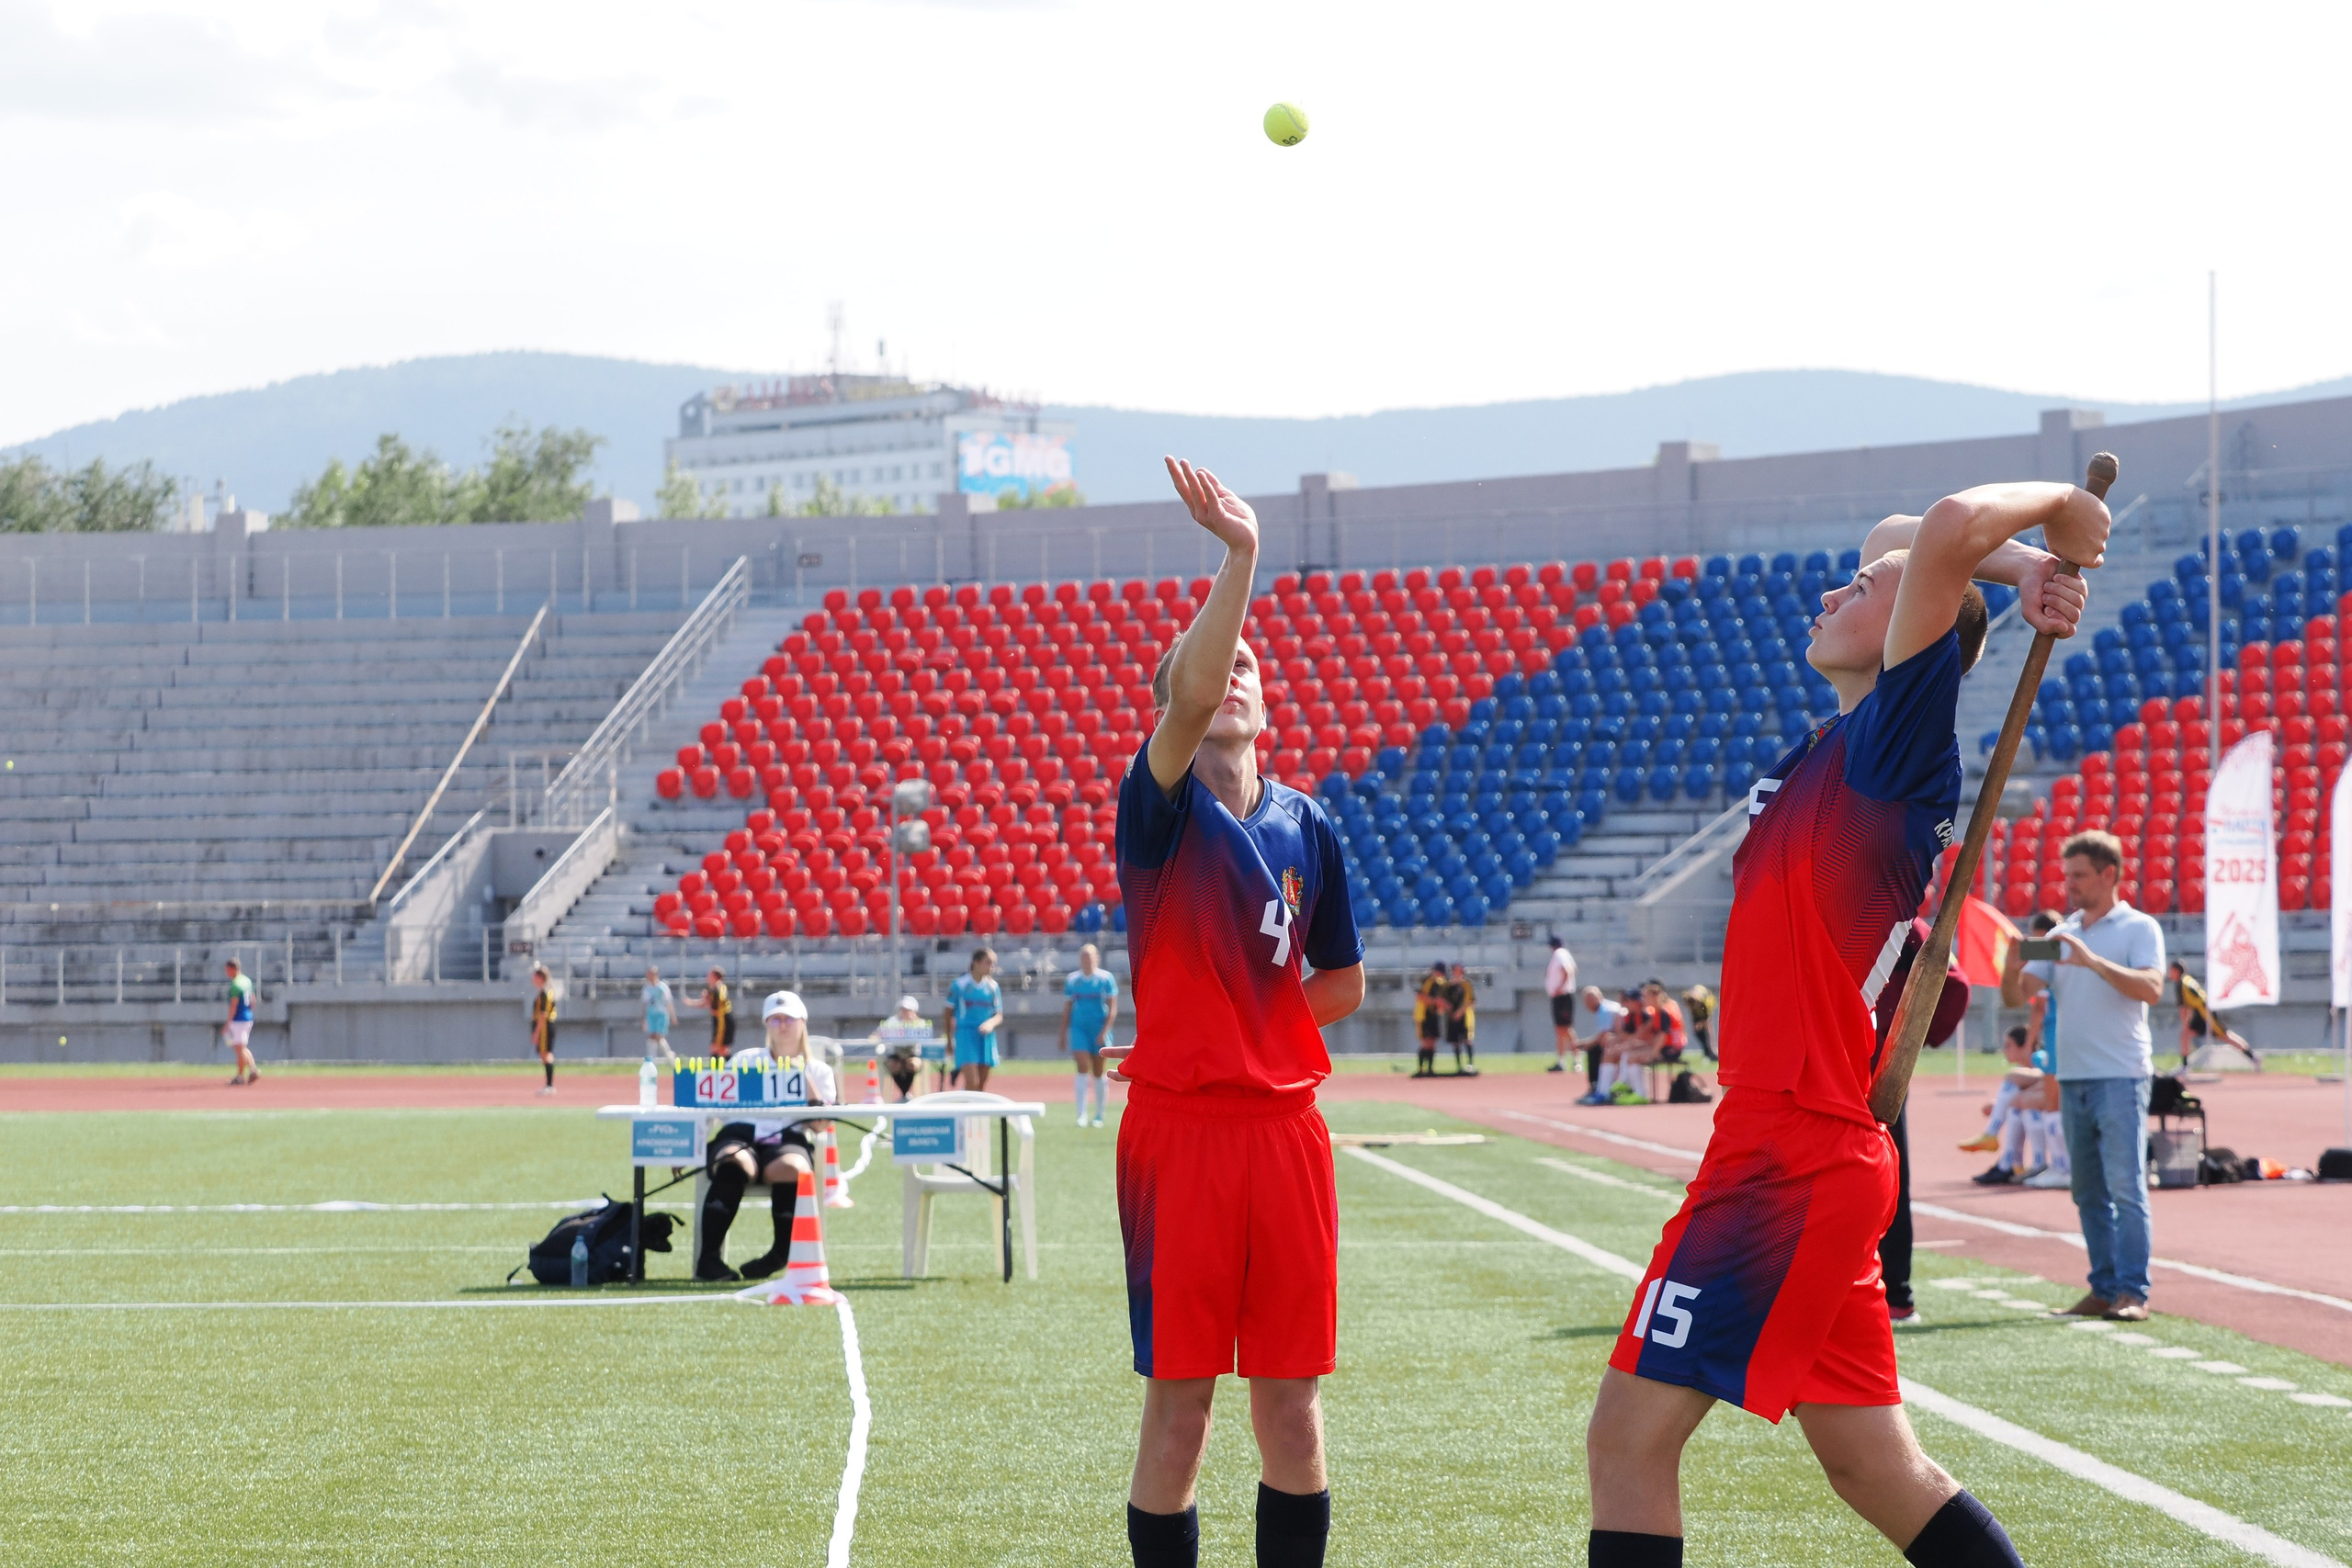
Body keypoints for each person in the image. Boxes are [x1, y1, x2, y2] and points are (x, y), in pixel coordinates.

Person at [1585, 471, 2103, 1568]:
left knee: (1628, 1439)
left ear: (1918, 623)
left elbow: (1942, 528)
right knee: (1874, 1468)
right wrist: (2026, 570)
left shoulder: (1897, 745)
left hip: (1793, 1152)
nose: (1831, 592)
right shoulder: (1840, 742)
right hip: (1794, 1141)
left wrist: (2057, 508)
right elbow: (1910, 534)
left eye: (1863, 588)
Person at [1105, 457, 1365, 1568]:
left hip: (1284, 1134)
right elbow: (1194, 690)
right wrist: (1241, 554)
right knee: (1181, 1413)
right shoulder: (1157, 808)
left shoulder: (1307, 824)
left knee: (1293, 1412)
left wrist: (1251, 1026)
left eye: (1251, 664)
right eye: (1218, 667)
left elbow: (1341, 981)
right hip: (1182, 1134)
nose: (1233, 678)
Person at [2002, 829, 2165, 1324]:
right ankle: (2103, 1288)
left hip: (2121, 1075)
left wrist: (2092, 961)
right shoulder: (2060, 936)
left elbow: (2152, 988)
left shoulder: (2139, 928)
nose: (2068, 884)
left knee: (2126, 1189)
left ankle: (2133, 1292)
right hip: (2073, 1077)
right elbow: (2016, 996)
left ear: (2108, 874)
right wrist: (2011, 965)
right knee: (2087, 1192)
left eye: (2078, 875)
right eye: (2066, 874)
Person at [1870, 919, 1972, 1329]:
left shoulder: (1903, 924)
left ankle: (1894, 1292)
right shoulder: (1892, 920)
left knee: (1886, 1178)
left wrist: (1913, 1037)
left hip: (1876, 1068)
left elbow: (1954, 983)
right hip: (1858, 1063)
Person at [693, 989, 836, 1282]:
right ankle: (708, 1260)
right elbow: (713, 1105)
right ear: (766, 1024)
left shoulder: (819, 1070)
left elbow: (821, 1125)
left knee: (793, 1168)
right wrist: (691, 1144)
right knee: (733, 1161)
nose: (783, 1025)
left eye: (789, 1019)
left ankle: (779, 1254)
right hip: (740, 1134)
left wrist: (800, 1075)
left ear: (803, 1022)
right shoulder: (744, 1060)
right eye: (775, 1019)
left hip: (787, 1139)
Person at [1064, 943, 1120, 1126]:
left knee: (1098, 1071)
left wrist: (1105, 1031)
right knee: (1082, 1066)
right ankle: (1081, 1115)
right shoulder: (1073, 980)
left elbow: (1112, 1008)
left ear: (1096, 958)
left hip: (1099, 1028)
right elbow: (1068, 1007)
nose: (1086, 960)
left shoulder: (1106, 978)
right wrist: (1063, 1032)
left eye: (1090, 956)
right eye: (1083, 956)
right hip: (1079, 1029)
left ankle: (1099, 1115)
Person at [2169, 960, 2256, 1068]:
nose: (2169, 973)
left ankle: (2253, 1057)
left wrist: (2185, 1023)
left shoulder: (2181, 983)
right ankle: (2185, 1066)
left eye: (2171, 970)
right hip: (2200, 1012)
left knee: (2225, 1036)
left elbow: (2184, 1008)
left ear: (2176, 971)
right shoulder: (2187, 980)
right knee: (2185, 1034)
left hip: (2205, 1013)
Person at [945, 948, 1002, 1093]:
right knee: (972, 1082)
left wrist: (990, 1024)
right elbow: (947, 1013)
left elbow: (998, 1015)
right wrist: (949, 1040)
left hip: (986, 1036)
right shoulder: (960, 985)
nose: (991, 967)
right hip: (966, 1035)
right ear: (976, 963)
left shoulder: (993, 987)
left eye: (993, 964)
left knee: (981, 1087)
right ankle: (963, 1100)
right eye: (988, 962)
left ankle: (967, 1102)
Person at [1577, 985, 1630, 1105]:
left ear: (1598, 997)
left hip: (1621, 1041)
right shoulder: (1606, 1007)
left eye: (1590, 1000)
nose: (1587, 1004)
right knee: (1597, 1048)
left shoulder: (1604, 1010)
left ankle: (1596, 1086)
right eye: (1586, 1001)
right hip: (1618, 1040)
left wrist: (1584, 1044)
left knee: (1594, 1050)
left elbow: (1604, 1034)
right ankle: (1602, 1087)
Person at [871, 994, 931, 1100]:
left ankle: (905, 1093)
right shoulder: (892, 1021)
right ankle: (904, 1093)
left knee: (912, 1064)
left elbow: (927, 1038)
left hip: (913, 1054)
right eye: (903, 1009)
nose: (904, 1012)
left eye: (908, 1010)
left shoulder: (920, 1023)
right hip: (896, 1054)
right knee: (894, 1065)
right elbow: (877, 1034)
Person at [221, 959, 260, 1087]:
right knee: (240, 1048)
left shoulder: (236, 984)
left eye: (227, 970)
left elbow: (234, 1005)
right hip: (247, 1017)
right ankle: (243, 1075)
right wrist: (249, 1013)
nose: (226, 973)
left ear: (232, 969)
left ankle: (250, 1071)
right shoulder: (247, 981)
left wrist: (228, 1023)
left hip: (238, 1019)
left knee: (239, 1048)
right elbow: (253, 1000)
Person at [1545, 937, 1578, 1073]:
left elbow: (1567, 971)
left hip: (1562, 996)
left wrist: (1559, 987)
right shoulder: (1564, 954)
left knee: (1565, 1029)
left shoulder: (1560, 954)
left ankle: (1576, 1060)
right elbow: (1573, 969)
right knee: (1560, 1029)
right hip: (1560, 996)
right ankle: (1561, 1061)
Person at [687, 967, 734, 1059]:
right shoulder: (712, 989)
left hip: (722, 1020)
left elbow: (719, 999)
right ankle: (730, 1065)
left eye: (710, 975)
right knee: (721, 1050)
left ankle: (717, 1068)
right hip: (718, 1020)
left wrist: (709, 995)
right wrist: (691, 1002)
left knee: (716, 1048)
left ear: (715, 977)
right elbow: (706, 1003)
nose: (707, 977)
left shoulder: (719, 987)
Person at [527, 963, 558, 1095]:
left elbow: (543, 1015)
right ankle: (549, 1085)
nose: (532, 978)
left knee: (546, 1054)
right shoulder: (546, 991)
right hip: (547, 1025)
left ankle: (550, 1086)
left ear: (540, 977)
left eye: (535, 976)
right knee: (545, 1054)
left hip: (545, 1026)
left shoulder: (545, 993)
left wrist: (536, 1033)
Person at [1413, 963, 1447, 1076]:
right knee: (1426, 1042)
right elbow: (1420, 996)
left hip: (1434, 1015)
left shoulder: (1441, 983)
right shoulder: (1426, 980)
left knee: (1433, 1042)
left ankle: (1430, 1069)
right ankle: (1421, 1069)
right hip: (1424, 1015)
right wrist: (1435, 1001)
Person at [1443, 963, 1478, 1075]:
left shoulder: (1466, 984)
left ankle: (1470, 1065)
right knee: (1455, 1042)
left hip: (1465, 1016)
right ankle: (1458, 1067)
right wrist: (1448, 1009)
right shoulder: (1448, 986)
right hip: (1452, 1017)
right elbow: (1443, 999)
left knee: (1467, 1040)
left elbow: (1471, 1001)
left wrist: (1460, 1011)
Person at [640, 965, 678, 1064]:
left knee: (658, 1036)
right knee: (651, 1037)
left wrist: (673, 1016)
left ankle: (669, 1057)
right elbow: (645, 1004)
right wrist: (644, 1019)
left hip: (661, 1015)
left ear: (655, 975)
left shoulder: (663, 987)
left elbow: (669, 1002)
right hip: (651, 1015)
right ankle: (652, 1060)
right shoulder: (647, 989)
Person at [1680, 985, 1716, 1063]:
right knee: (1697, 1032)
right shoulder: (1689, 1000)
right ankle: (1707, 1051)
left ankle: (1711, 1051)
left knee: (1707, 1032)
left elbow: (1707, 1020)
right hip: (1698, 1009)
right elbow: (1693, 1014)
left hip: (1705, 1009)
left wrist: (1701, 1024)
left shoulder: (1704, 1004)